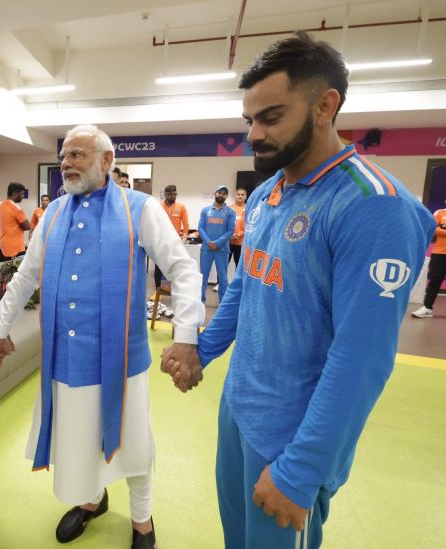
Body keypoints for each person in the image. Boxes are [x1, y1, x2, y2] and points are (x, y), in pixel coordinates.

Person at [163, 32, 435, 549]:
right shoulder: (269, 192)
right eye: (249, 120)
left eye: (271, 118)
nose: (253, 135)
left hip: (292, 439)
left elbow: (362, 358)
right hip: (238, 411)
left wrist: (302, 469)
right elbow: (246, 286)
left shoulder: (375, 208)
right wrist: (202, 347)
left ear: (324, 107)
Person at [0, 124, 204, 549]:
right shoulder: (52, 213)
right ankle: (91, 501)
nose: (66, 163)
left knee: (133, 444)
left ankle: (142, 520)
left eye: (77, 155)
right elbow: (27, 274)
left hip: (122, 360)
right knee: (78, 438)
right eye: (64, 155)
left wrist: (186, 336)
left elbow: (182, 268)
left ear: (107, 161)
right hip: (64, 359)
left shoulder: (139, 208)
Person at [198, 185, 235, 303]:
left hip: (222, 249)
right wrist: (209, 242)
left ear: (227, 196)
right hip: (206, 249)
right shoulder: (205, 210)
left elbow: (230, 230)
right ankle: (200, 301)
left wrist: (217, 243)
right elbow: (200, 228)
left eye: (224, 193)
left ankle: (222, 302)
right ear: (215, 193)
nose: (221, 195)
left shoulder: (230, 212)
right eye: (220, 192)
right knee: (203, 276)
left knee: (223, 278)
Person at [412, 205, 446, 318]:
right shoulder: (440, 212)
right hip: (440, 253)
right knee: (435, 279)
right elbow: (432, 228)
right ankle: (427, 308)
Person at [155, 184, 190, 289]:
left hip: (175, 242)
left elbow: (186, 224)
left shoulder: (181, 207)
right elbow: (154, 222)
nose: (173, 196)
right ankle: (157, 289)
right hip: (161, 241)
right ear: (165, 194)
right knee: (159, 266)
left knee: (175, 266)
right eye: (171, 194)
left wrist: (183, 238)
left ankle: (175, 289)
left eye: (175, 194)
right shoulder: (158, 206)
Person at [0, 182, 30, 259]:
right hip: (14, 248)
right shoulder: (15, 207)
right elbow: (27, 226)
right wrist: (21, 226)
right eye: (22, 194)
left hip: (4, 246)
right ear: (15, 193)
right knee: (17, 270)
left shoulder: (1, 205)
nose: (22, 196)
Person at [229, 187, 247, 267]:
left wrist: (238, 234)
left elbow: (250, 225)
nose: (240, 196)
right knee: (223, 265)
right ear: (235, 196)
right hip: (228, 242)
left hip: (241, 243)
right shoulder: (229, 208)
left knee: (239, 267)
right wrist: (230, 235)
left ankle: (237, 280)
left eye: (242, 195)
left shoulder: (249, 209)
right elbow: (225, 224)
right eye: (238, 194)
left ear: (245, 196)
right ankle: (220, 280)